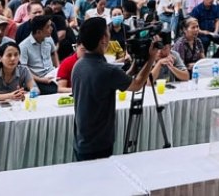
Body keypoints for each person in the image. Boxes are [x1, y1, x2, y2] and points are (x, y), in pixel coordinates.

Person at [72, 17, 157, 161]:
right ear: (103, 39)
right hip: (98, 142)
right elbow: (137, 85)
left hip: (82, 138)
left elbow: (118, 79)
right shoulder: (106, 70)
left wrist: (136, 63)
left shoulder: (79, 65)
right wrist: (151, 59)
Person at [18, 15, 60, 95]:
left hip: (52, 74)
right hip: (37, 79)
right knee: (55, 89)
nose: (51, 29)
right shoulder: (24, 46)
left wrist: (58, 69)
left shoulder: (49, 39)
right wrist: (42, 79)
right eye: (48, 27)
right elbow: (24, 70)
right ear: (38, 32)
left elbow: (54, 53)